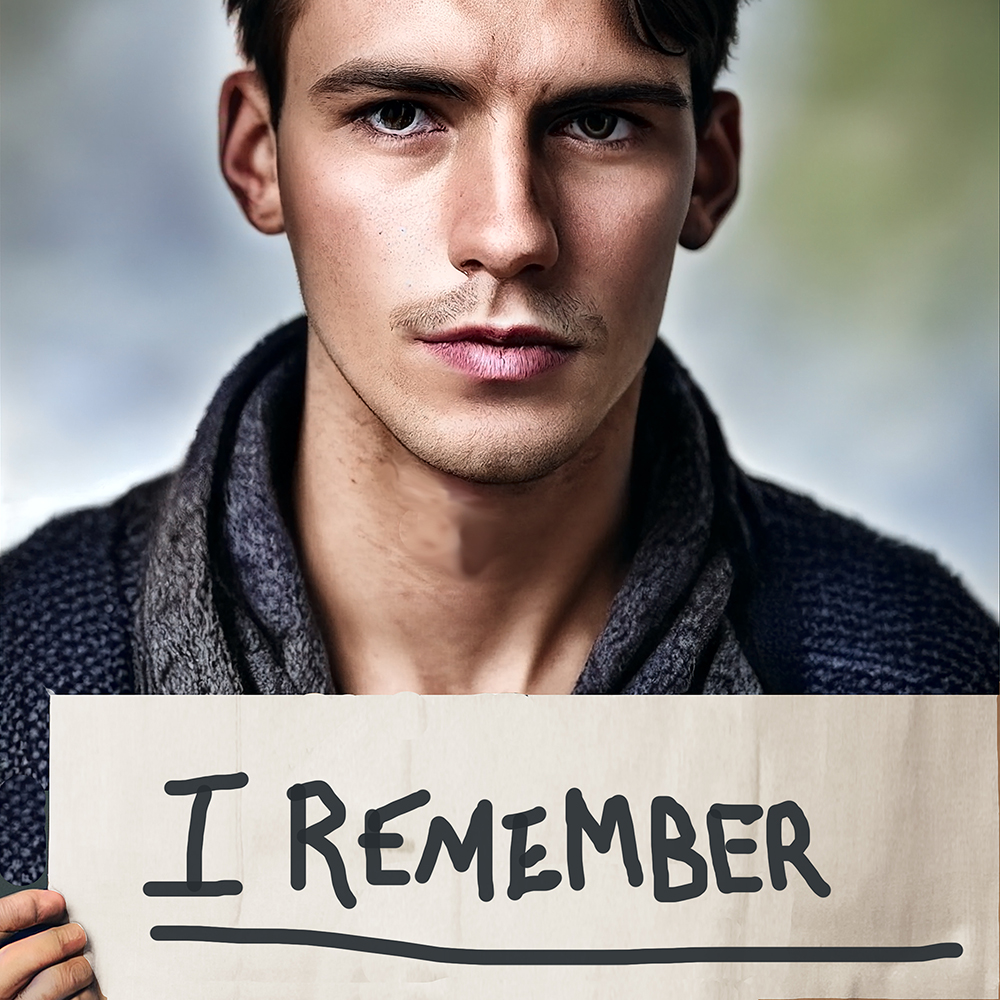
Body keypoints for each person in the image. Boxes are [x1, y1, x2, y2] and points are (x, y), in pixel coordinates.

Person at [1, 0, 996, 994]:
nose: (508, 233)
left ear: (710, 172)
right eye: (398, 113)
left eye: (600, 122)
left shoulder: (921, 683)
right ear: (259, 155)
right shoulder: (21, 668)